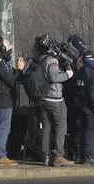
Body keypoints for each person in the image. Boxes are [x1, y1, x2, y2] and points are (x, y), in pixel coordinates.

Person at [31, 34, 74, 167]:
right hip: (54, 99)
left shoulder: (38, 59)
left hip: (41, 98)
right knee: (61, 127)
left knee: (46, 127)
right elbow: (54, 77)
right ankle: (58, 156)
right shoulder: (51, 61)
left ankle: (46, 156)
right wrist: (68, 74)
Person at [0, 35, 26, 166]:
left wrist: (18, 71)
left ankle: (0, 155)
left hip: (4, 99)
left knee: (3, 127)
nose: (11, 47)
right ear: (2, 47)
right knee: (3, 128)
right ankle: (1, 156)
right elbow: (10, 80)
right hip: (3, 99)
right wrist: (19, 70)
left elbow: (11, 77)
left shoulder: (1, 60)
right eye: (9, 45)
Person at [73, 50, 94, 165]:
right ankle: (89, 157)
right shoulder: (91, 74)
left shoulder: (79, 73)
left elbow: (77, 91)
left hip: (80, 107)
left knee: (81, 132)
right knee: (90, 132)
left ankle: (80, 156)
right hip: (89, 108)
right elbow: (92, 92)